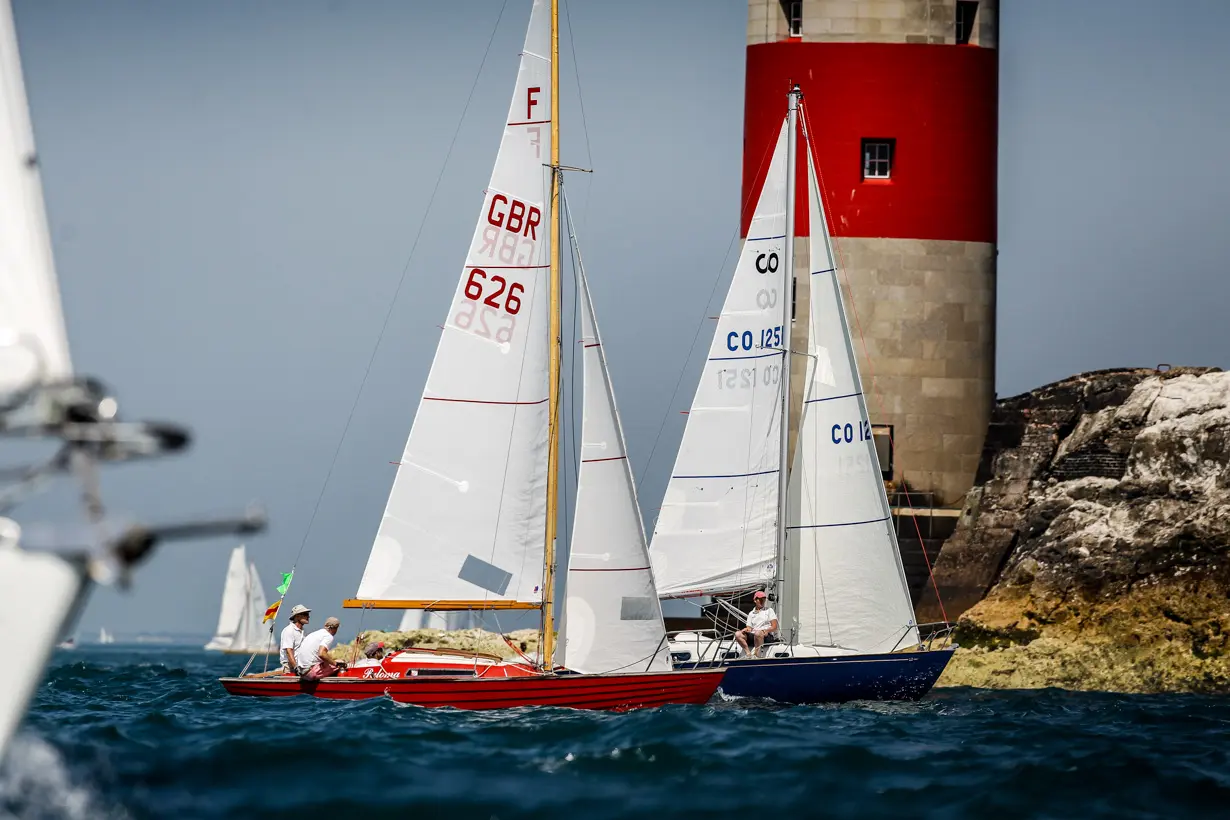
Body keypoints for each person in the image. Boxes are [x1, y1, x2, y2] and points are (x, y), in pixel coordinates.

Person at [734, 591, 778, 658]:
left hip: (766, 636)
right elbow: (749, 628)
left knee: (758, 633)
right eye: (760, 599)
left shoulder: (769, 610)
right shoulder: (751, 613)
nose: (762, 601)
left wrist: (766, 631)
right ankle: (748, 653)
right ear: (755, 600)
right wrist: (745, 630)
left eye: (763, 599)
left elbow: (774, 627)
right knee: (737, 634)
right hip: (754, 634)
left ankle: (756, 655)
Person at [279, 604, 311, 674]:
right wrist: (295, 667)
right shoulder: (289, 630)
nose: (308, 616)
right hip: (290, 666)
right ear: (297, 616)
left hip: (300, 665)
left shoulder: (304, 631)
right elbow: (288, 651)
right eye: (305, 614)